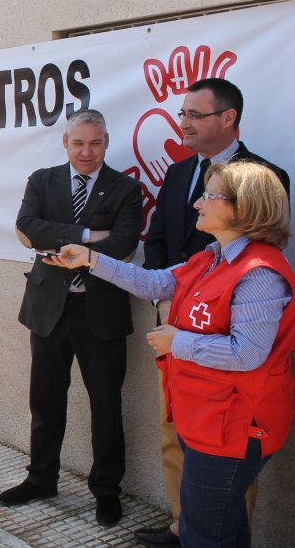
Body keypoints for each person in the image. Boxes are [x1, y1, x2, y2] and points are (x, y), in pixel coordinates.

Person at [46, 161, 294, 547]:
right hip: (208, 419)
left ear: (241, 207)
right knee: (220, 529)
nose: (198, 203)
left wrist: (176, 342)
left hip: (233, 427)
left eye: (210, 196)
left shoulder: (258, 273)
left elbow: (248, 353)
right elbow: (155, 282)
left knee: (205, 534)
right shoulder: (211, 257)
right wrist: (90, 259)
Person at [137, 78, 290, 547]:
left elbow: (248, 345)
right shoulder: (179, 173)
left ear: (228, 118)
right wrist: (166, 296)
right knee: (175, 433)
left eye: (195, 115)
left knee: (221, 478)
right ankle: (184, 526)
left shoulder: (262, 177)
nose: (183, 123)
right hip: (176, 328)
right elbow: (159, 240)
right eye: (181, 114)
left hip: (222, 361)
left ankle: (209, 529)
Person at [0, 109, 143, 527]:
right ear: (65, 143)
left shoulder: (126, 188)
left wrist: (62, 234)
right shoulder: (42, 180)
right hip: (49, 311)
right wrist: (86, 236)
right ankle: (41, 478)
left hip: (100, 313)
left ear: (107, 142)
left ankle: (106, 492)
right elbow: (27, 226)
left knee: (106, 406)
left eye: (95, 143)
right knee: (45, 400)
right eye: (78, 143)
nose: (87, 151)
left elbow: (124, 245)